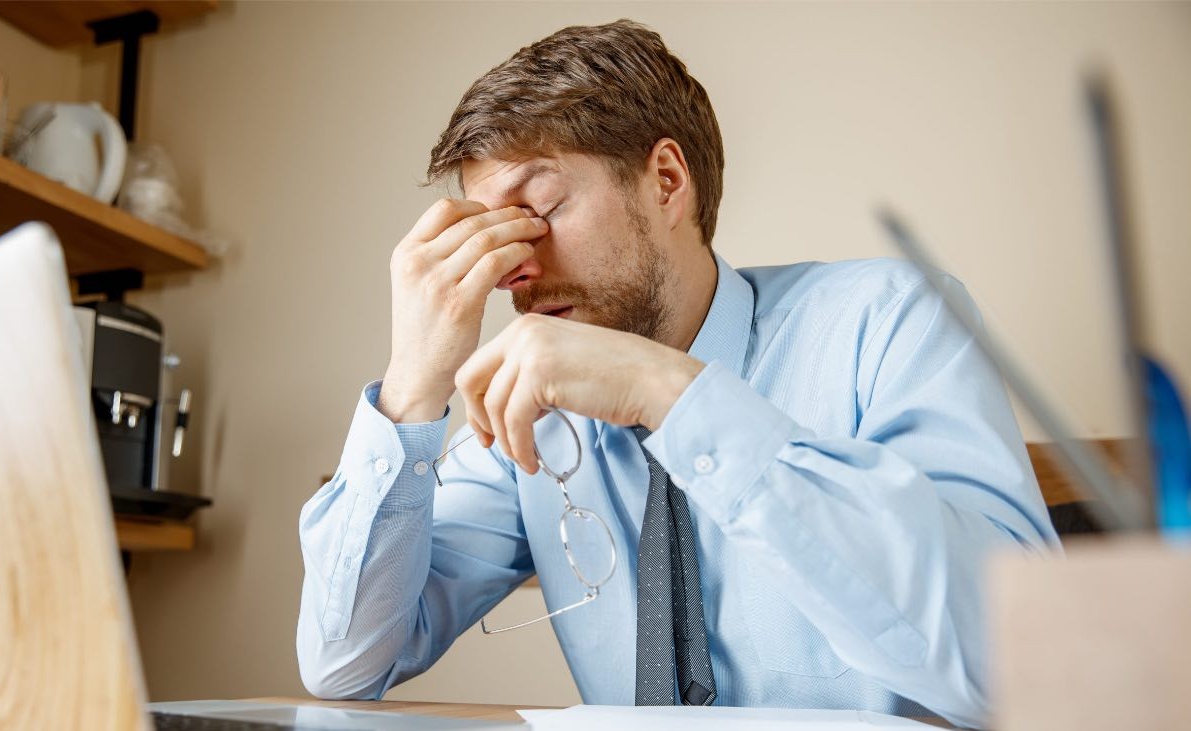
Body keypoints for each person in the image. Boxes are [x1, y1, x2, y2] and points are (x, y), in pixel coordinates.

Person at [296, 19, 1057, 728]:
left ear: (665, 180)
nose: (510, 268)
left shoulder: (889, 322)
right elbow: (345, 664)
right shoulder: (534, 420)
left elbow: (1021, 665)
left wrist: (670, 394)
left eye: (539, 208)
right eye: (486, 230)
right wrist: (411, 386)